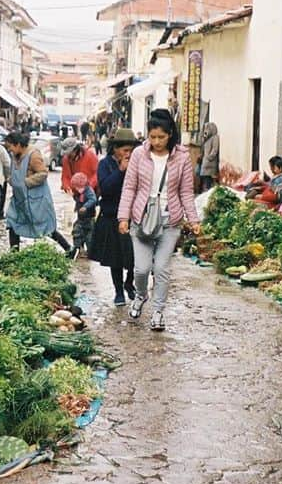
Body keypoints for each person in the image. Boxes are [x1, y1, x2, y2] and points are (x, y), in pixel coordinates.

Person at [118, 109, 200, 331]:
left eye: (161, 137)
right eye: (152, 137)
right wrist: (123, 217)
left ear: (170, 134)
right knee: (141, 269)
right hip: (141, 220)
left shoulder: (182, 157)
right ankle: (141, 295)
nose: (156, 142)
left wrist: (193, 220)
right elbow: (129, 187)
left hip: (169, 222)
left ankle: (158, 312)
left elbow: (186, 192)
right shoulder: (138, 154)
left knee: (162, 269)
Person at [90, 128, 140, 304]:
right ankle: (118, 291)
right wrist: (120, 171)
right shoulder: (105, 164)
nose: (129, 154)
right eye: (125, 150)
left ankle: (129, 282)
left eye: (131, 150)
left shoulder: (139, 163)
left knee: (136, 256)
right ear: (115, 149)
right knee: (115, 258)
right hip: (112, 216)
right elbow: (106, 188)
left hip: (134, 216)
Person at [4, 132, 72, 253]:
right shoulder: (15, 156)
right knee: (13, 223)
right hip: (19, 199)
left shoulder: (33, 155)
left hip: (35, 200)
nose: (10, 150)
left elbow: (43, 173)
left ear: (18, 144)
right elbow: (13, 173)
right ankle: (14, 254)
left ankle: (68, 248)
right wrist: (11, 180)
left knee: (44, 227)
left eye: (11, 147)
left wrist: (26, 182)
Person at [68, 172, 98, 259]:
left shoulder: (89, 191)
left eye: (78, 187)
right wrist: (74, 198)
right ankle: (79, 248)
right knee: (76, 232)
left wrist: (85, 207)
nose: (77, 189)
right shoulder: (79, 193)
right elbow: (78, 200)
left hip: (89, 218)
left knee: (89, 237)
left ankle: (90, 253)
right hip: (80, 218)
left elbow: (93, 200)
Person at [198, 121, 220, 193]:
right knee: (204, 179)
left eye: (208, 128)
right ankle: (205, 192)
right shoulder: (207, 139)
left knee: (208, 179)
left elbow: (215, 150)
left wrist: (209, 158)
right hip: (205, 162)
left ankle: (208, 193)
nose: (206, 130)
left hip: (210, 163)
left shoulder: (215, 137)